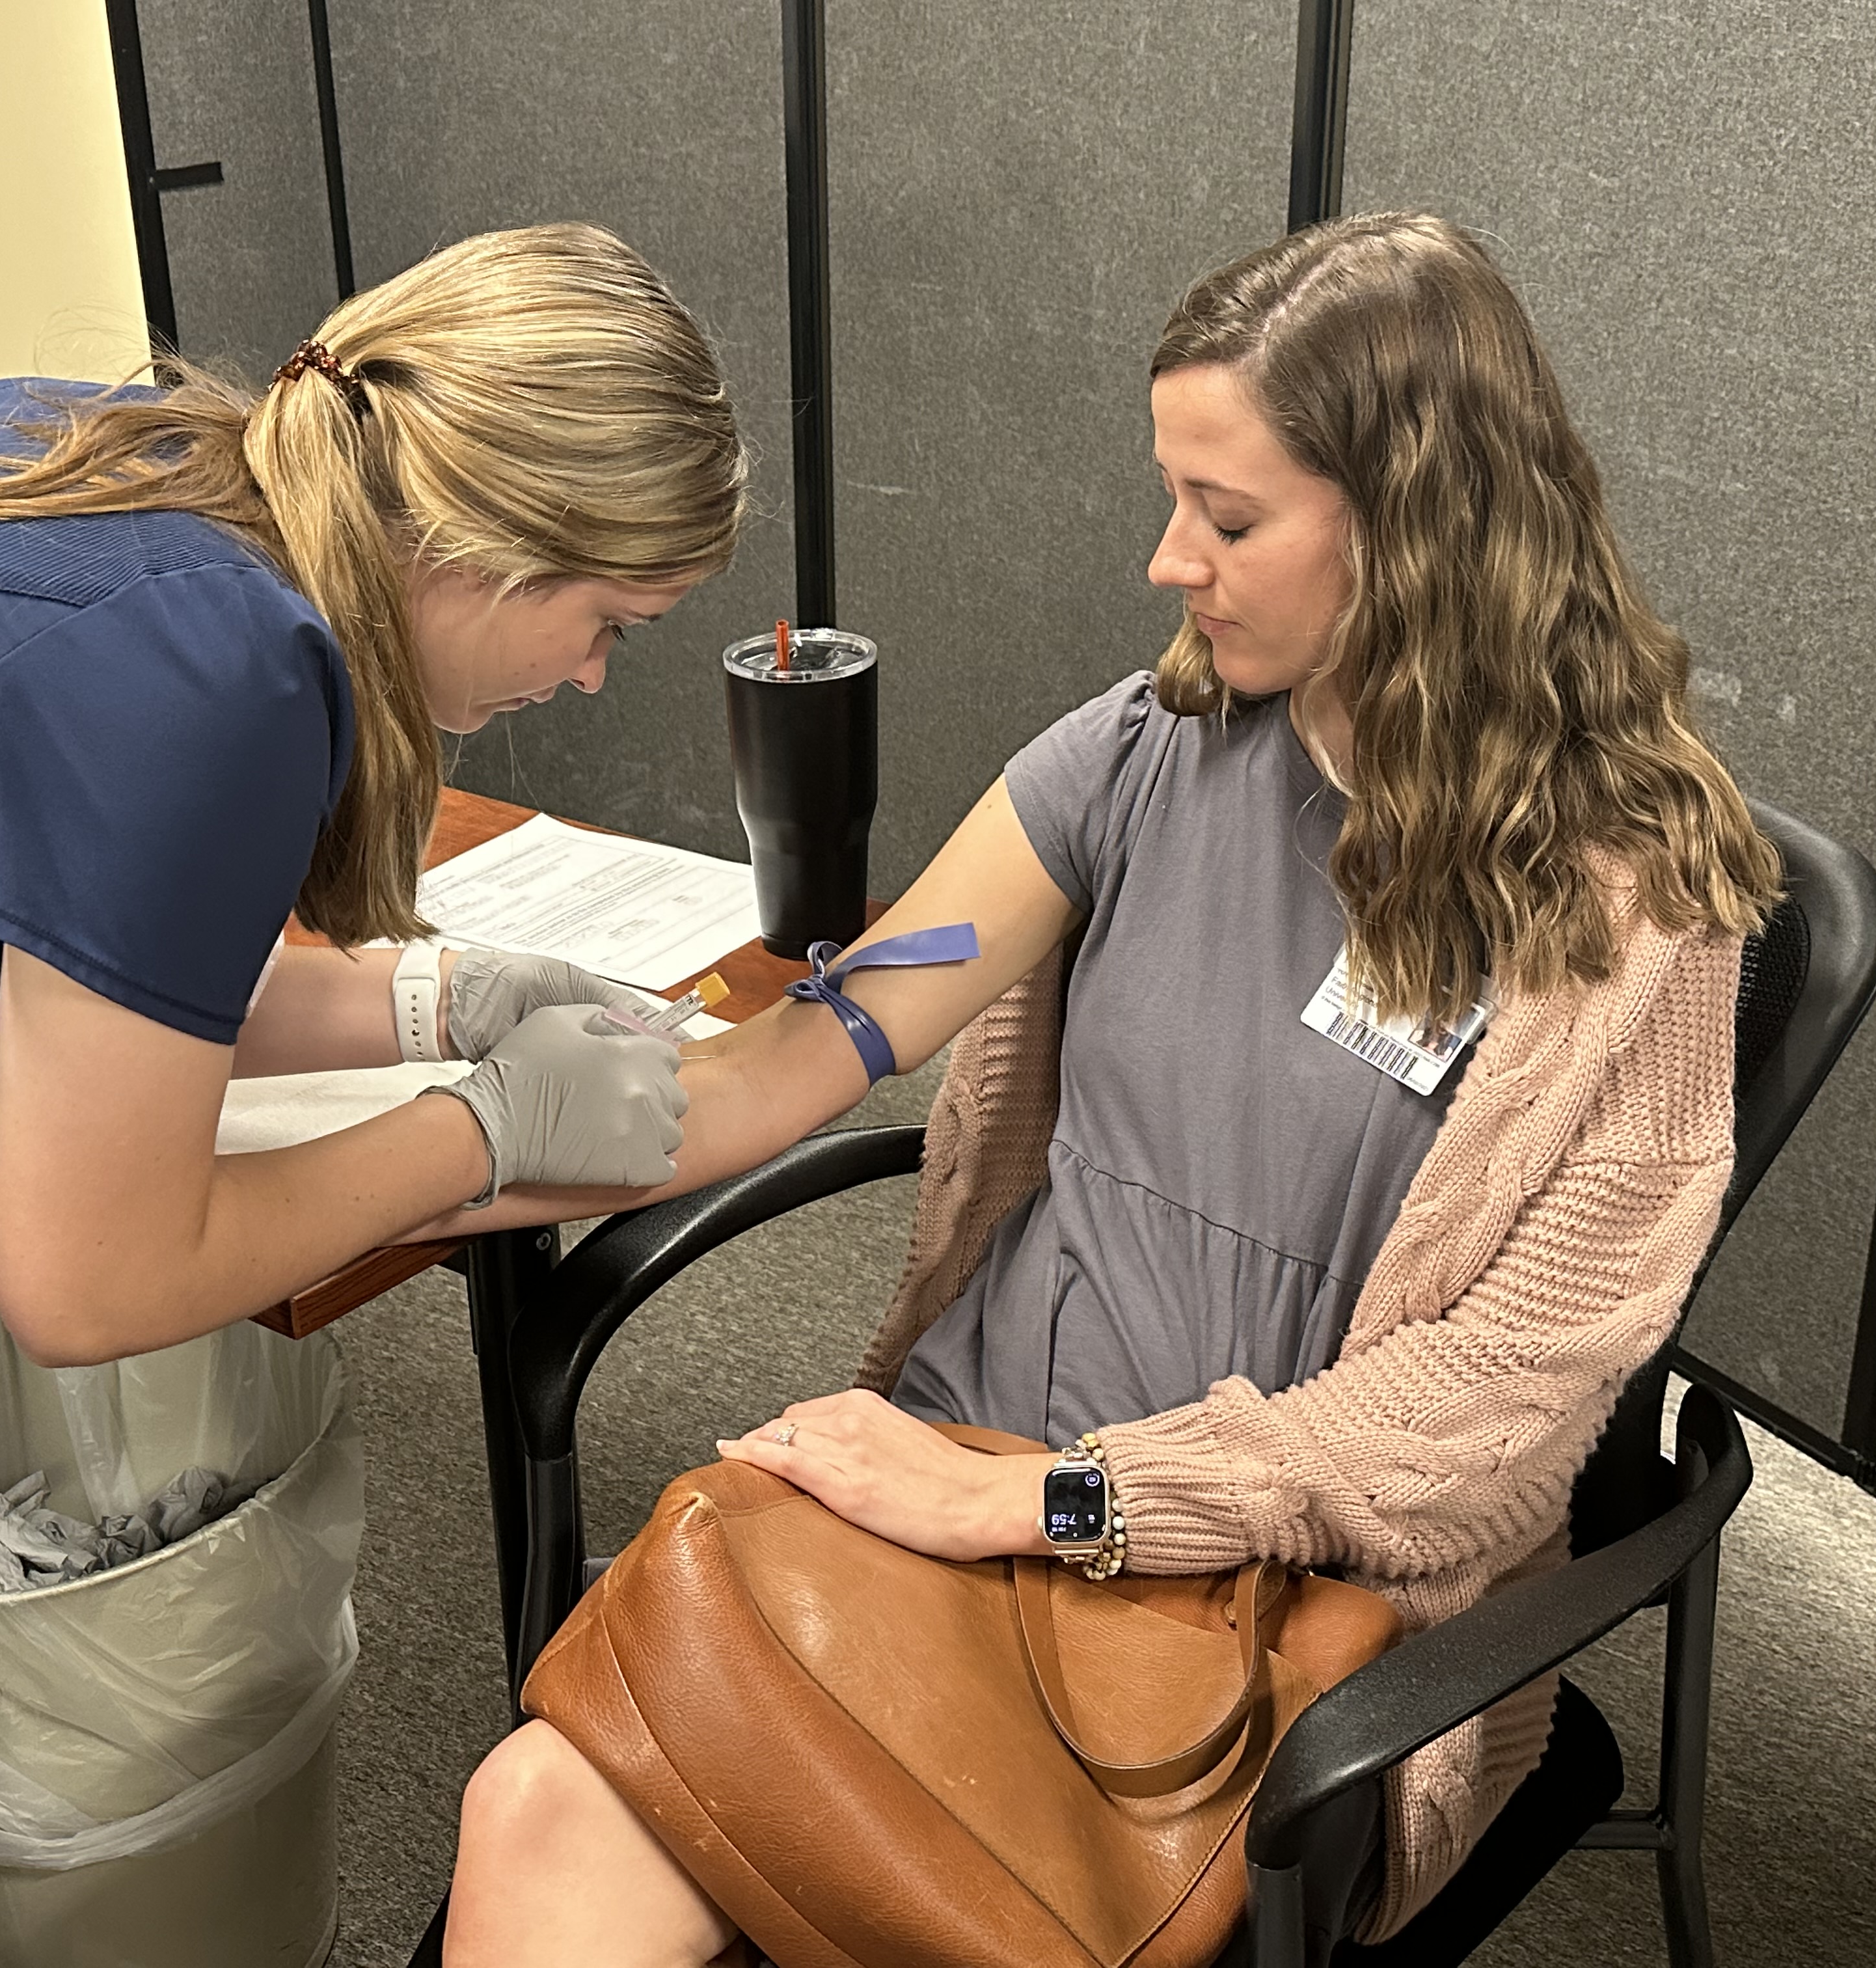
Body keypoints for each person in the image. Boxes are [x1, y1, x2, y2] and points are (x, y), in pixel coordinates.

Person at [435, 212, 1784, 1965]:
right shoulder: (1134, 760)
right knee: (526, 1804)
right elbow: (827, 1039)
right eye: (1174, 500)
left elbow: (1500, 1415)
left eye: (1226, 519)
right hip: (955, 1477)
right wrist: (452, 1142)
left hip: (1264, 1618)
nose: (1170, 559)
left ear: (1424, 533)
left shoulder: (1638, 916)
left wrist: (1065, 1501)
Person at [0, 223, 737, 1967]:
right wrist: (479, 1132)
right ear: (488, 549)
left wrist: (426, 997)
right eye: (608, 624)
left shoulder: (146, 463)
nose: (586, 677)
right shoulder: (225, 678)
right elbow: (86, 1281)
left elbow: (112, 967)